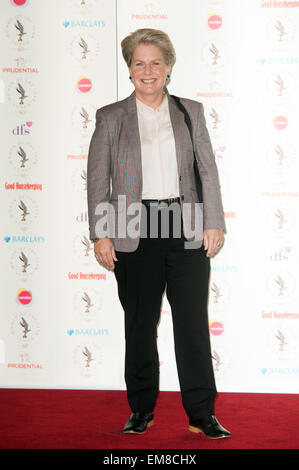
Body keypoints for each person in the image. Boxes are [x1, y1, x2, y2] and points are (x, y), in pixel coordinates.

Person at [87, 28, 230, 439]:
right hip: (133, 223)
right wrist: (101, 233)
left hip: (183, 223)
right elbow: (99, 180)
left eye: (155, 62)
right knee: (140, 322)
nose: (147, 71)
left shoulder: (191, 111)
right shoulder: (110, 116)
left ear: (168, 67)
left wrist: (214, 221)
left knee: (191, 323)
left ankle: (202, 413)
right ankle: (141, 410)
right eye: (138, 63)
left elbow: (207, 171)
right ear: (129, 68)